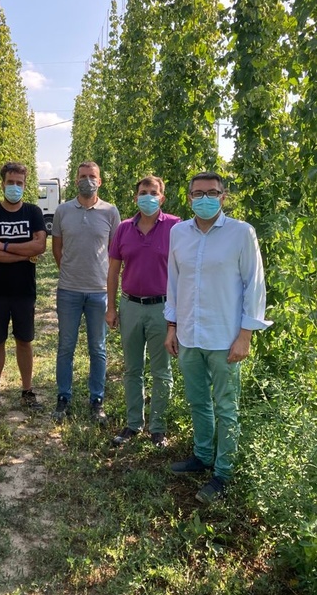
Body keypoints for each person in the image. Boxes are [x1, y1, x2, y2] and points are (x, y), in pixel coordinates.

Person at [164, 171, 272, 505]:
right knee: (198, 401)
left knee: (226, 406)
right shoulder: (179, 233)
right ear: (189, 197)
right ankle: (202, 455)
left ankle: (223, 473)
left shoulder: (241, 233)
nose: (205, 198)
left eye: (212, 192)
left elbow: (254, 285)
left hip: (225, 337)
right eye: (198, 193)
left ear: (223, 197)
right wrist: (172, 326)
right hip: (189, 334)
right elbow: (174, 282)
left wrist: (245, 335)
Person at [106, 175, 180, 448]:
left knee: (161, 370)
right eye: (142, 192)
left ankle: (158, 428)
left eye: (153, 192)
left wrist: (178, 314)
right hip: (131, 305)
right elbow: (113, 271)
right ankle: (133, 424)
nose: (147, 196)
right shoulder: (124, 229)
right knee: (132, 369)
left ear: (162, 197)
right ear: (135, 197)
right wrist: (111, 307)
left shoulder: (176, 227)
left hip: (162, 308)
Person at [51, 161, 121, 423]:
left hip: (99, 292)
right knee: (66, 346)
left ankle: (97, 399)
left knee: (98, 348)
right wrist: (70, 270)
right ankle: (63, 397)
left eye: (92, 176)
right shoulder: (63, 211)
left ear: (99, 181)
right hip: (68, 290)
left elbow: (115, 253)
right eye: (83, 176)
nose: (87, 180)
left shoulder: (110, 212)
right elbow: (57, 248)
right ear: (75, 179)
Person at [0, 162, 47, 414]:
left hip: (23, 291)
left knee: (24, 341)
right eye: (10, 182)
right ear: (2, 183)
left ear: (25, 185)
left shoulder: (33, 212)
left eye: (19, 183)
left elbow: (39, 247)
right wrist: (22, 253)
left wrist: (2, 246)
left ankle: (27, 391)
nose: (14, 187)